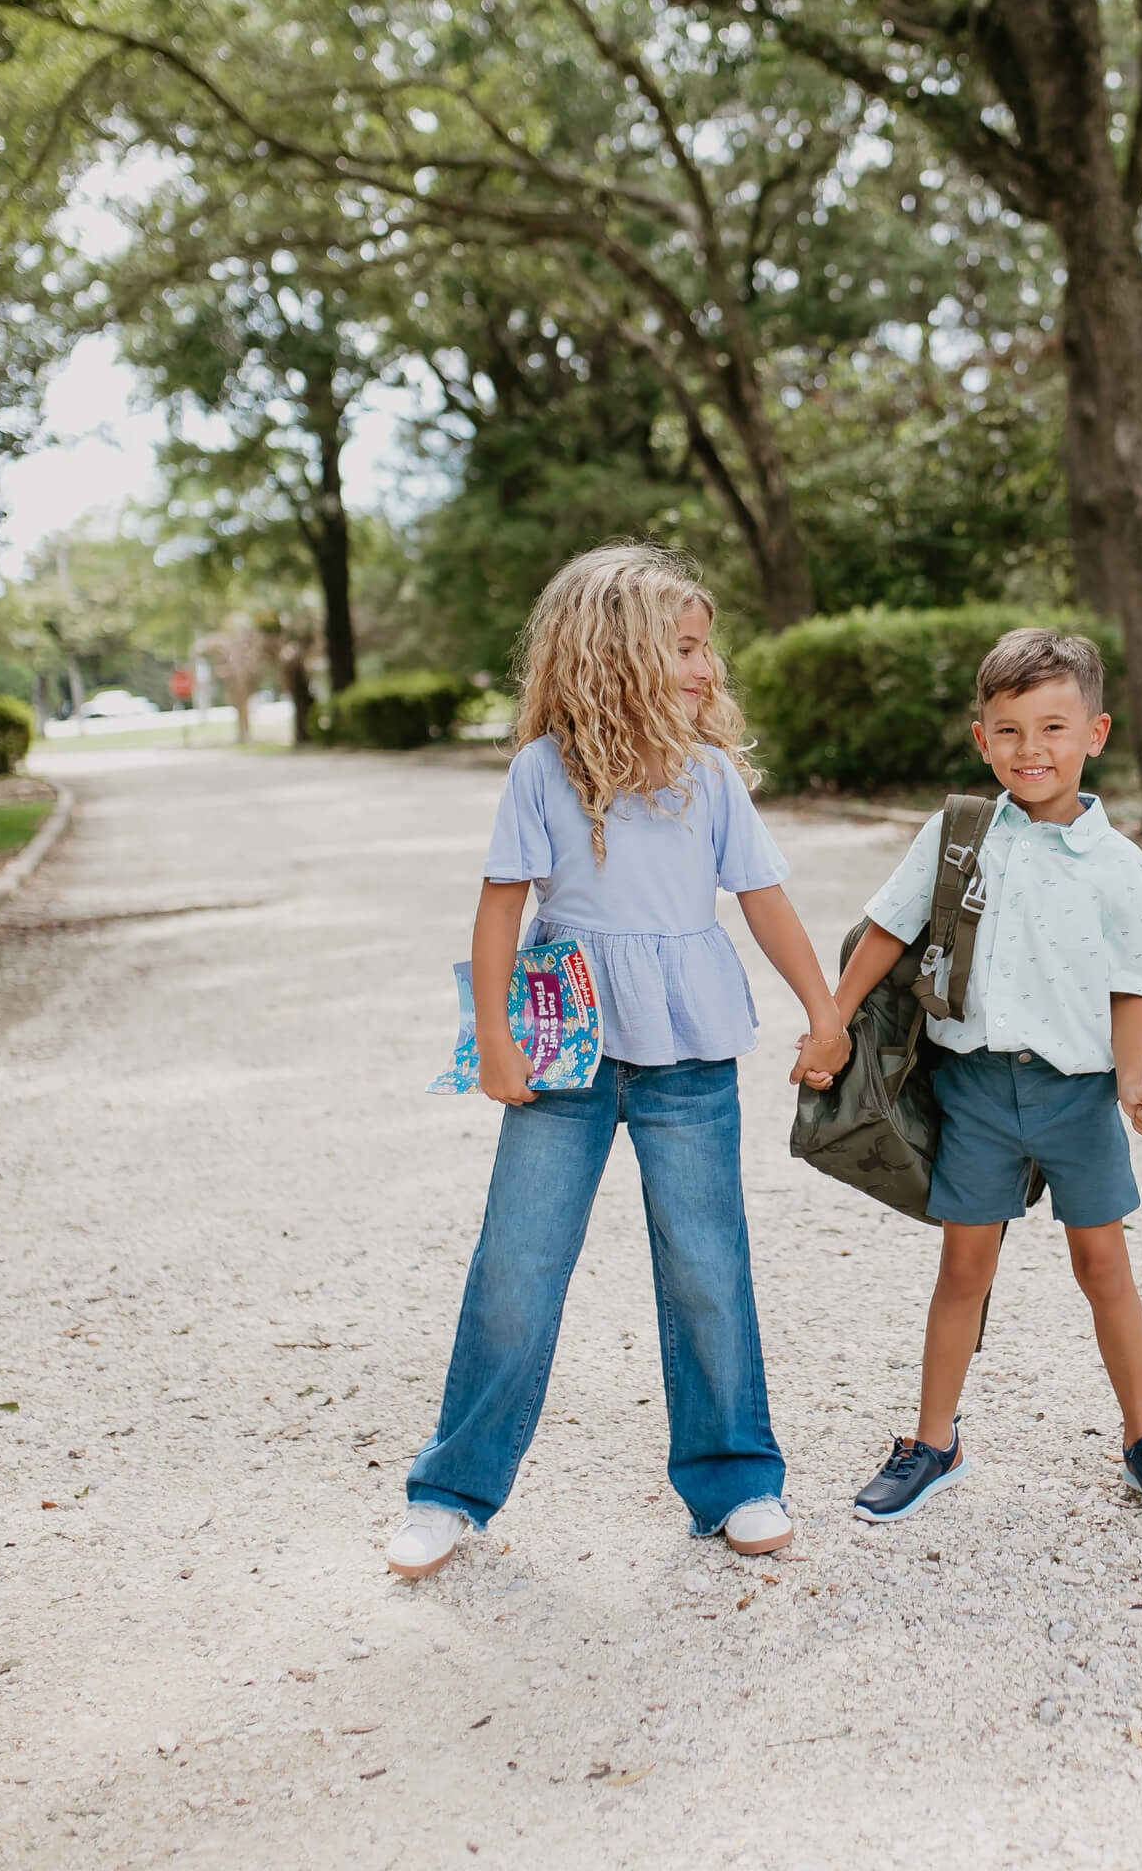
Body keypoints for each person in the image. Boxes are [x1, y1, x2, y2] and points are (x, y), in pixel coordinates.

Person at [388, 543, 850, 1579]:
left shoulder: (712, 779)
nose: (703, 669)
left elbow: (764, 901)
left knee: (706, 1266)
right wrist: (496, 1043)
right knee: (516, 1266)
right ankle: (451, 1493)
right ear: (616, 656)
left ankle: (735, 1480)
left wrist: (821, 1009)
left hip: (689, 1051)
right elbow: (501, 902)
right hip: (568, 1055)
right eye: (682, 649)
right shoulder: (543, 772)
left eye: (703, 650)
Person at [794, 628, 1142, 1526]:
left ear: (1095, 734)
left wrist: (1134, 1081)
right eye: (1009, 731)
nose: (1032, 751)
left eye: (1053, 728)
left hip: (1077, 1098)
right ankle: (933, 1442)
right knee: (962, 1269)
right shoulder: (958, 835)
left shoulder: (1122, 870)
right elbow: (888, 935)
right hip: (975, 1090)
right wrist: (830, 1025)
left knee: (1104, 1267)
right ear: (981, 738)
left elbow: (1133, 988)